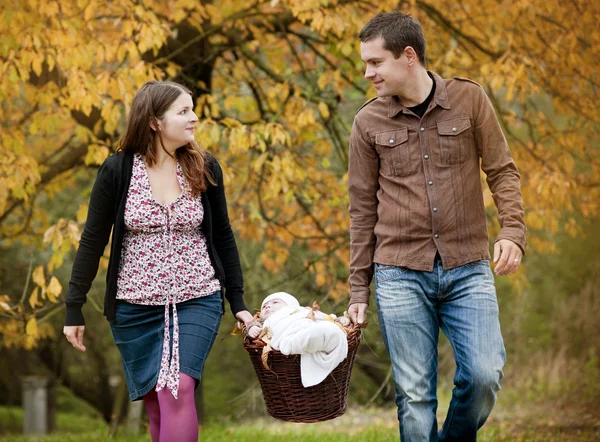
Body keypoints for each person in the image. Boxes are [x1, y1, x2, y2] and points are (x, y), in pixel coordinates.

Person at [346, 12, 526, 442]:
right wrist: (358, 289)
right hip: (398, 272)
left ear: (409, 56)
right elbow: (361, 210)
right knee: (415, 396)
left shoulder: (470, 99)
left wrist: (513, 232)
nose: (367, 73)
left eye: (375, 62)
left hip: (468, 266)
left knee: (484, 377)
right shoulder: (367, 122)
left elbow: (502, 171)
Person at [62, 80, 253, 442]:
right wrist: (74, 305)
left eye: (192, 109)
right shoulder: (117, 171)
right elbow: (92, 241)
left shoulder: (205, 167)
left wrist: (237, 300)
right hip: (135, 307)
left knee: (177, 389)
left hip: (198, 297)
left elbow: (223, 236)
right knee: (155, 401)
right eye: (183, 112)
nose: (194, 118)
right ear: (154, 122)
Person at [246, 292, 351, 387]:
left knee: (329, 329)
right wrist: (251, 328)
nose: (268, 306)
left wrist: (339, 321)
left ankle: (320, 338)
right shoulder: (265, 323)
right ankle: (304, 340)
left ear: (290, 305)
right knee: (309, 336)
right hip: (289, 337)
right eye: (264, 306)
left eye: (275, 302)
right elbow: (255, 326)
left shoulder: (302, 311)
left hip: (309, 327)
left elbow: (323, 317)